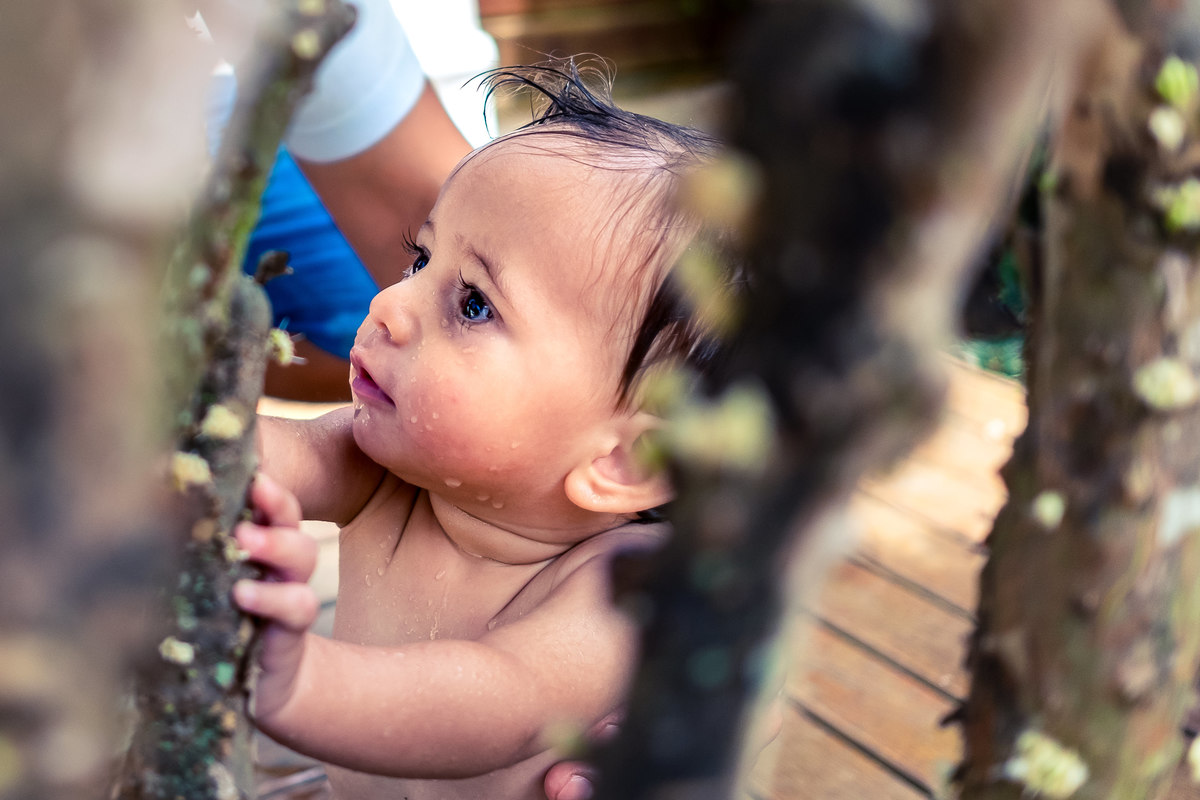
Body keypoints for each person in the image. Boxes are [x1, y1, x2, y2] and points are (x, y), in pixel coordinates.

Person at [231, 62, 724, 799]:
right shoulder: (385, 466)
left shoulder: (624, 583)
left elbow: (500, 700)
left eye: (472, 304)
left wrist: (304, 682)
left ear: (623, 457)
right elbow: (246, 458)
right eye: (421, 257)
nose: (390, 305)